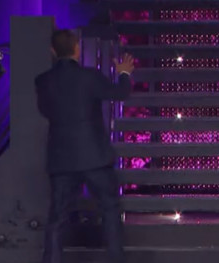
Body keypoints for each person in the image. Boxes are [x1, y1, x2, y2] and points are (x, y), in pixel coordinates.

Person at [36, 29, 136, 263]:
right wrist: (123, 73)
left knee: (57, 217)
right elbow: (120, 93)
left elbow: (45, 111)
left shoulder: (43, 81)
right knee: (110, 209)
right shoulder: (90, 76)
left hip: (62, 159)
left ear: (53, 50)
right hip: (95, 156)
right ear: (77, 49)